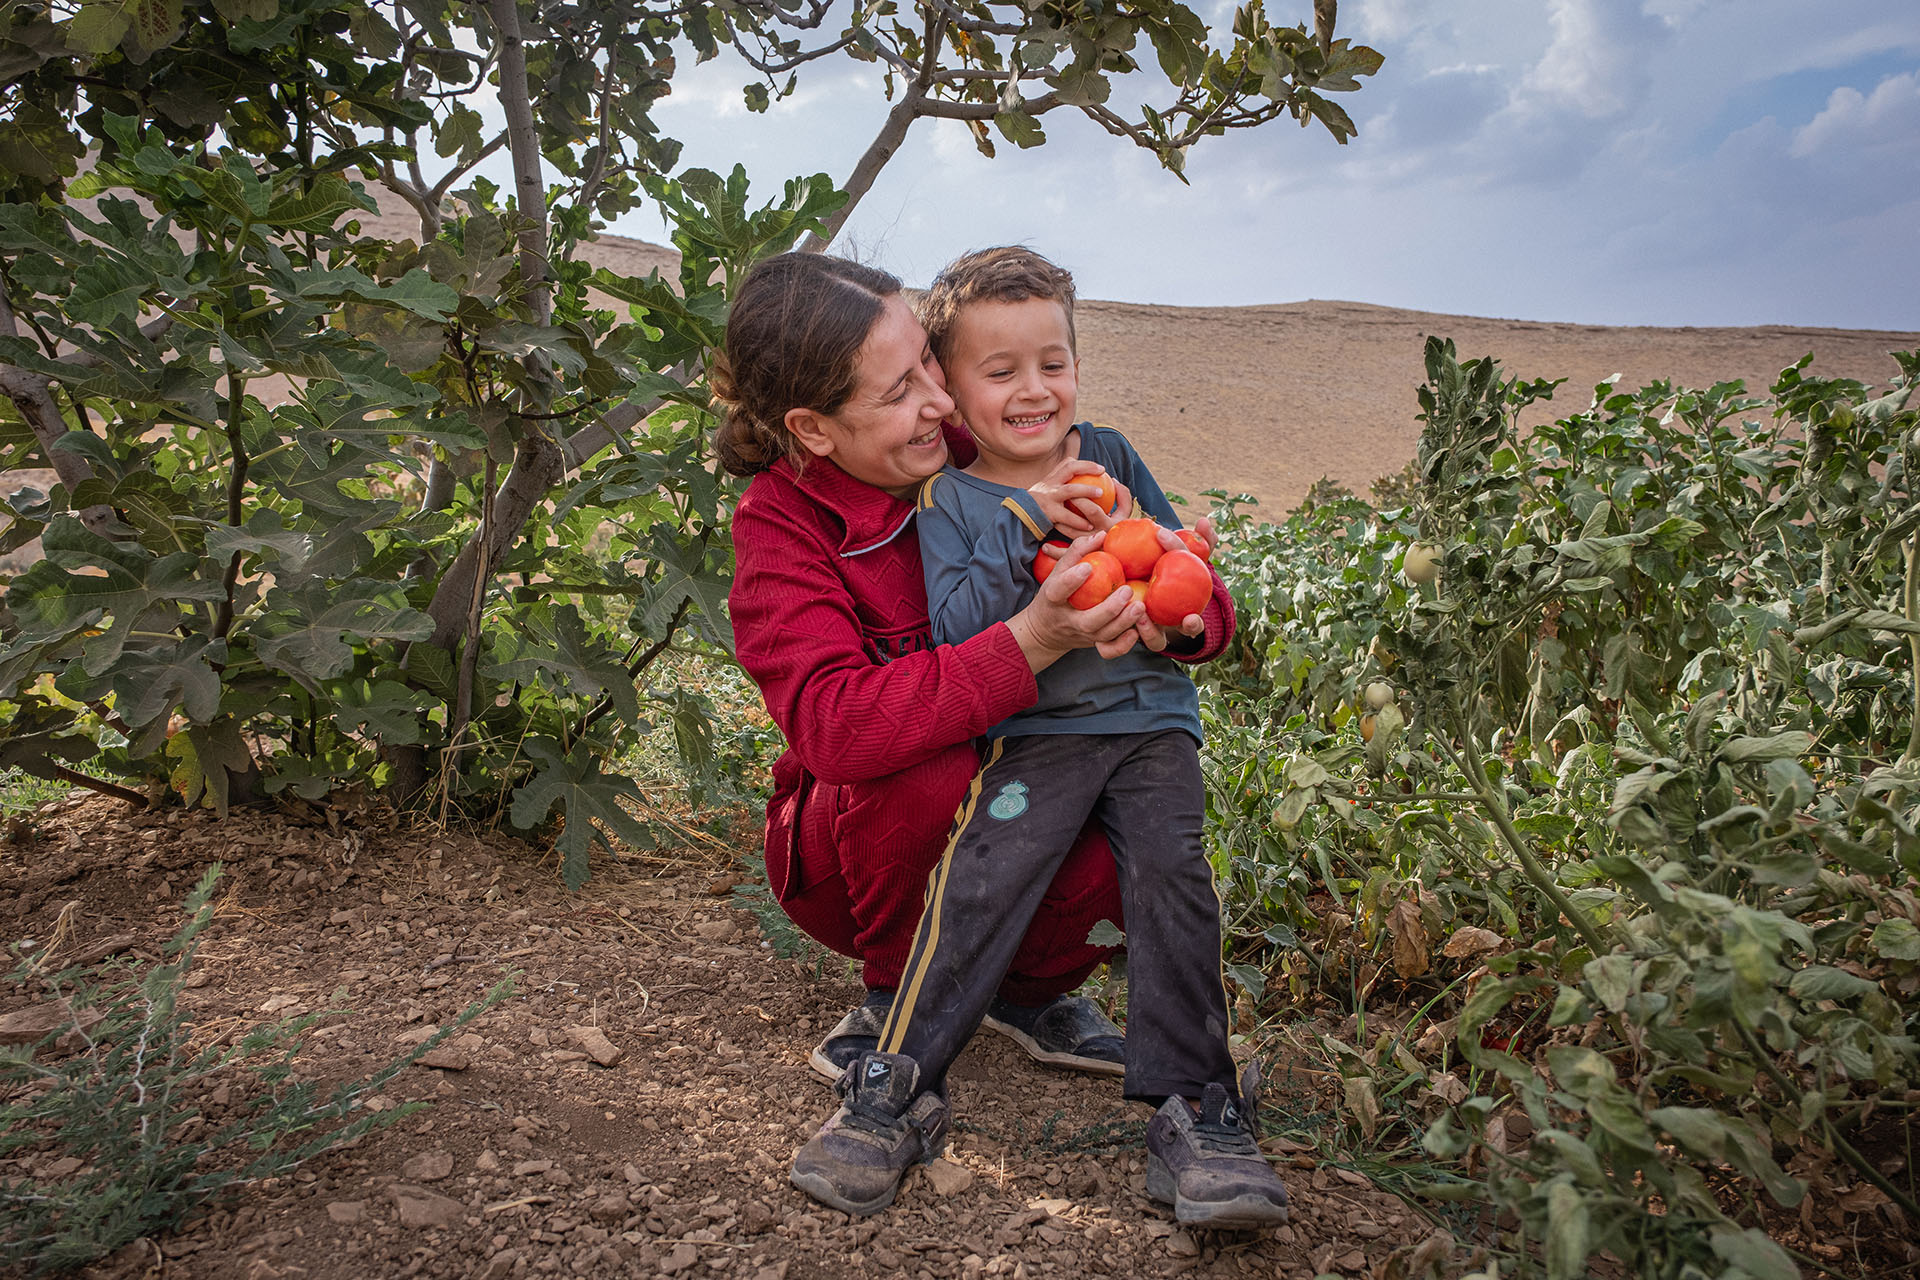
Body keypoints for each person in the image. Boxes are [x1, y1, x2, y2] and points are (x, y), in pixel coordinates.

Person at [789, 247, 1291, 1229]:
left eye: (1051, 363)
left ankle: (1200, 1112)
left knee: (1176, 884)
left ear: (1077, 366)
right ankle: (894, 1088)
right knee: (979, 878)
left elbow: (1189, 581)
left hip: (1151, 728)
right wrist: (1025, 520)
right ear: (951, 387)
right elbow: (958, 627)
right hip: (1037, 738)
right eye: (1000, 370)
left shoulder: (1111, 456)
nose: (1033, 390)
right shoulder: (953, 499)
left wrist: (1181, 614)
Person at [718, 252, 1152, 1087]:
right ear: (813, 428)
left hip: (1022, 790)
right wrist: (1032, 640)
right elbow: (837, 728)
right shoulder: (781, 525)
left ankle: (1027, 994)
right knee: (927, 762)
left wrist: (1159, 580)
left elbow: (1145, 562)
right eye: (898, 392)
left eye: (928, 360)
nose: (942, 401)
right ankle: (897, 993)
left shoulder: (975, 444)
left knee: (1132, 797)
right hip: (856, 851)